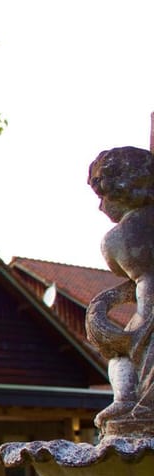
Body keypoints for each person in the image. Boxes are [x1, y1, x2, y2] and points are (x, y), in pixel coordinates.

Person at [85, 146, 154, 429]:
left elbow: (117, 267)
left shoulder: (117, 238)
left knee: (120, 356)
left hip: (147, 314)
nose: (101, 208)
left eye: (102, 196)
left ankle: (127, 401)